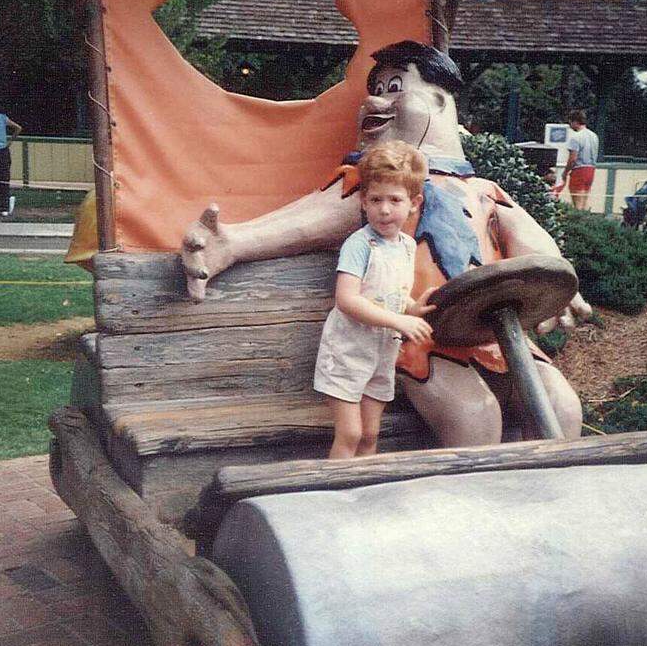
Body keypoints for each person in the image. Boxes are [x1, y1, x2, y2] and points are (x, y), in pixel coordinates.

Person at [182, 40, 590, 448]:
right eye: (374, 89)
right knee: (474, 418)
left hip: (498, 338)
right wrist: (232, 241)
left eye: (394, 86)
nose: (375, 101)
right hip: (422, 339)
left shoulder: (486, 192)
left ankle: (537, 500)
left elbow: (532, 245)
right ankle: (467, 506)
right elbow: (305, 221)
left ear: (439, 103)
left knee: (562, 408)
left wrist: (558, 285)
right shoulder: (371, 187)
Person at [313, 141, 436, 458]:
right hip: (348, 354)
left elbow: (392, 292)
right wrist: (399, 320)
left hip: (382, 354)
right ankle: (336, 497)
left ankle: (365, 494)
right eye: (375, 199)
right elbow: (348, 300)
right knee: (350, 433)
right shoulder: (360, 245)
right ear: (363, 202)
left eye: (395, 200)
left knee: (370, 434)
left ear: (413, 203)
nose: (384, 209)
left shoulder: (407, 246)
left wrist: (414, 308)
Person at [563, 108, 599, 211]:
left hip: (579, 170)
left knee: (577, 203)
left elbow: (572, 159)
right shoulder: (594, 136)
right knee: (584, 201)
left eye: (570, 122)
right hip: (591, 170)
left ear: (575, 121)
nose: (570, 126)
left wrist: (565, 173)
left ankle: (578, 221)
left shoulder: (576, 137)